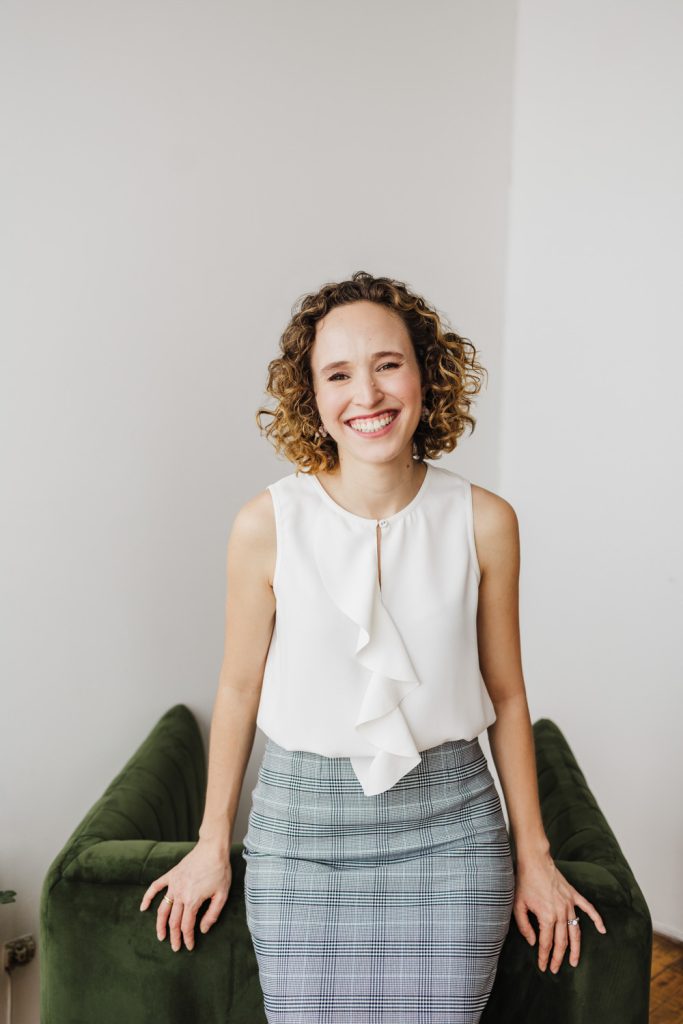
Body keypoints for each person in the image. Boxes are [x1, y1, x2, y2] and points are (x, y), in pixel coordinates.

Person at [140, 270, 607, 1022]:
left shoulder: (485, 521)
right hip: (300, 834)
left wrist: (536, 857)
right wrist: (209, 840)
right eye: (338, 373)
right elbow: (236, 690)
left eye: (388, 363)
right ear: (312, 397)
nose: (368, 394)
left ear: (426, 372)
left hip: (451, 834)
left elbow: (508, 697)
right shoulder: (265, 525)